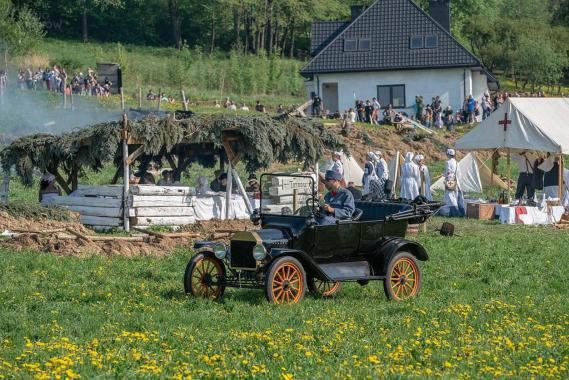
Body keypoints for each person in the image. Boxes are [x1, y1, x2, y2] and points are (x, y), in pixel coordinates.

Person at [443, 149, 462, 215]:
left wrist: (445, 177)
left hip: (449, 180)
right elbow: (459, 173)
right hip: (455, 180)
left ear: (448, 154)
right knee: (455, 195)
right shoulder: (457, 162)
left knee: (449, 196)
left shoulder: (447, 162)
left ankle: (453, 211)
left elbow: (447, 172)